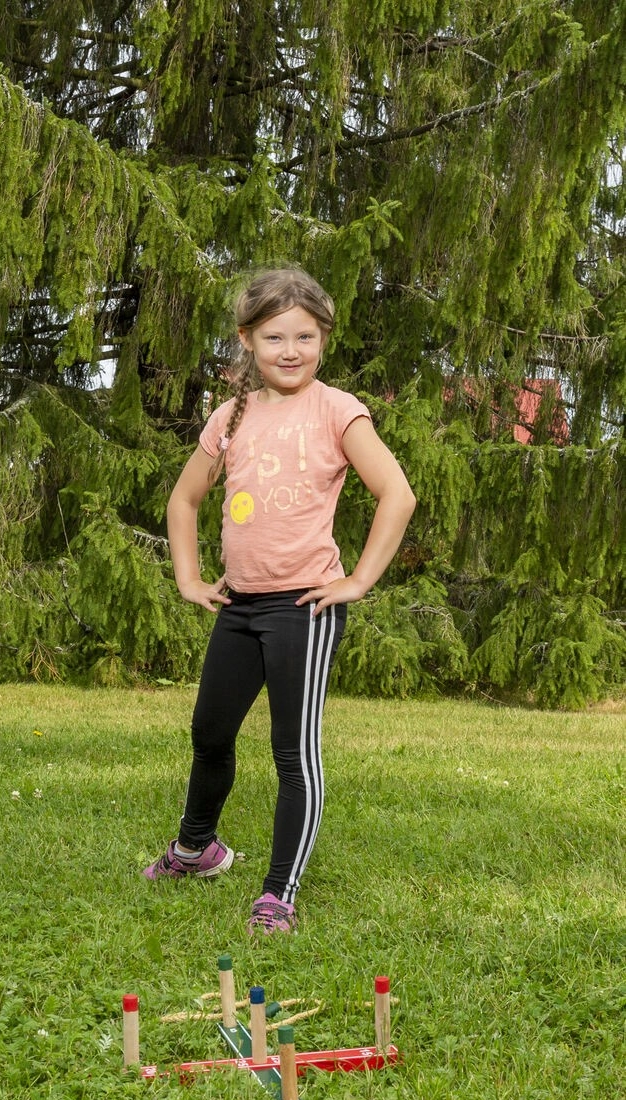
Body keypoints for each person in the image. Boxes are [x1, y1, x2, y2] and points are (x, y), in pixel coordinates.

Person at [143, 266, 416, 932]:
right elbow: (184, 499)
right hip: (239, 606)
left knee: (293, 754)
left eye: (304, 336)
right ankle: (196, 849)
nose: (290, 350)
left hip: (305, 608)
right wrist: (188, 577)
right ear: (247, 340)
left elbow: (397, 494)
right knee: (210, 734)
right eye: (274, 337)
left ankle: (278, 894)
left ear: (323, 337)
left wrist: (357, 581)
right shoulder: (231, 415)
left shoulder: (338, 410)